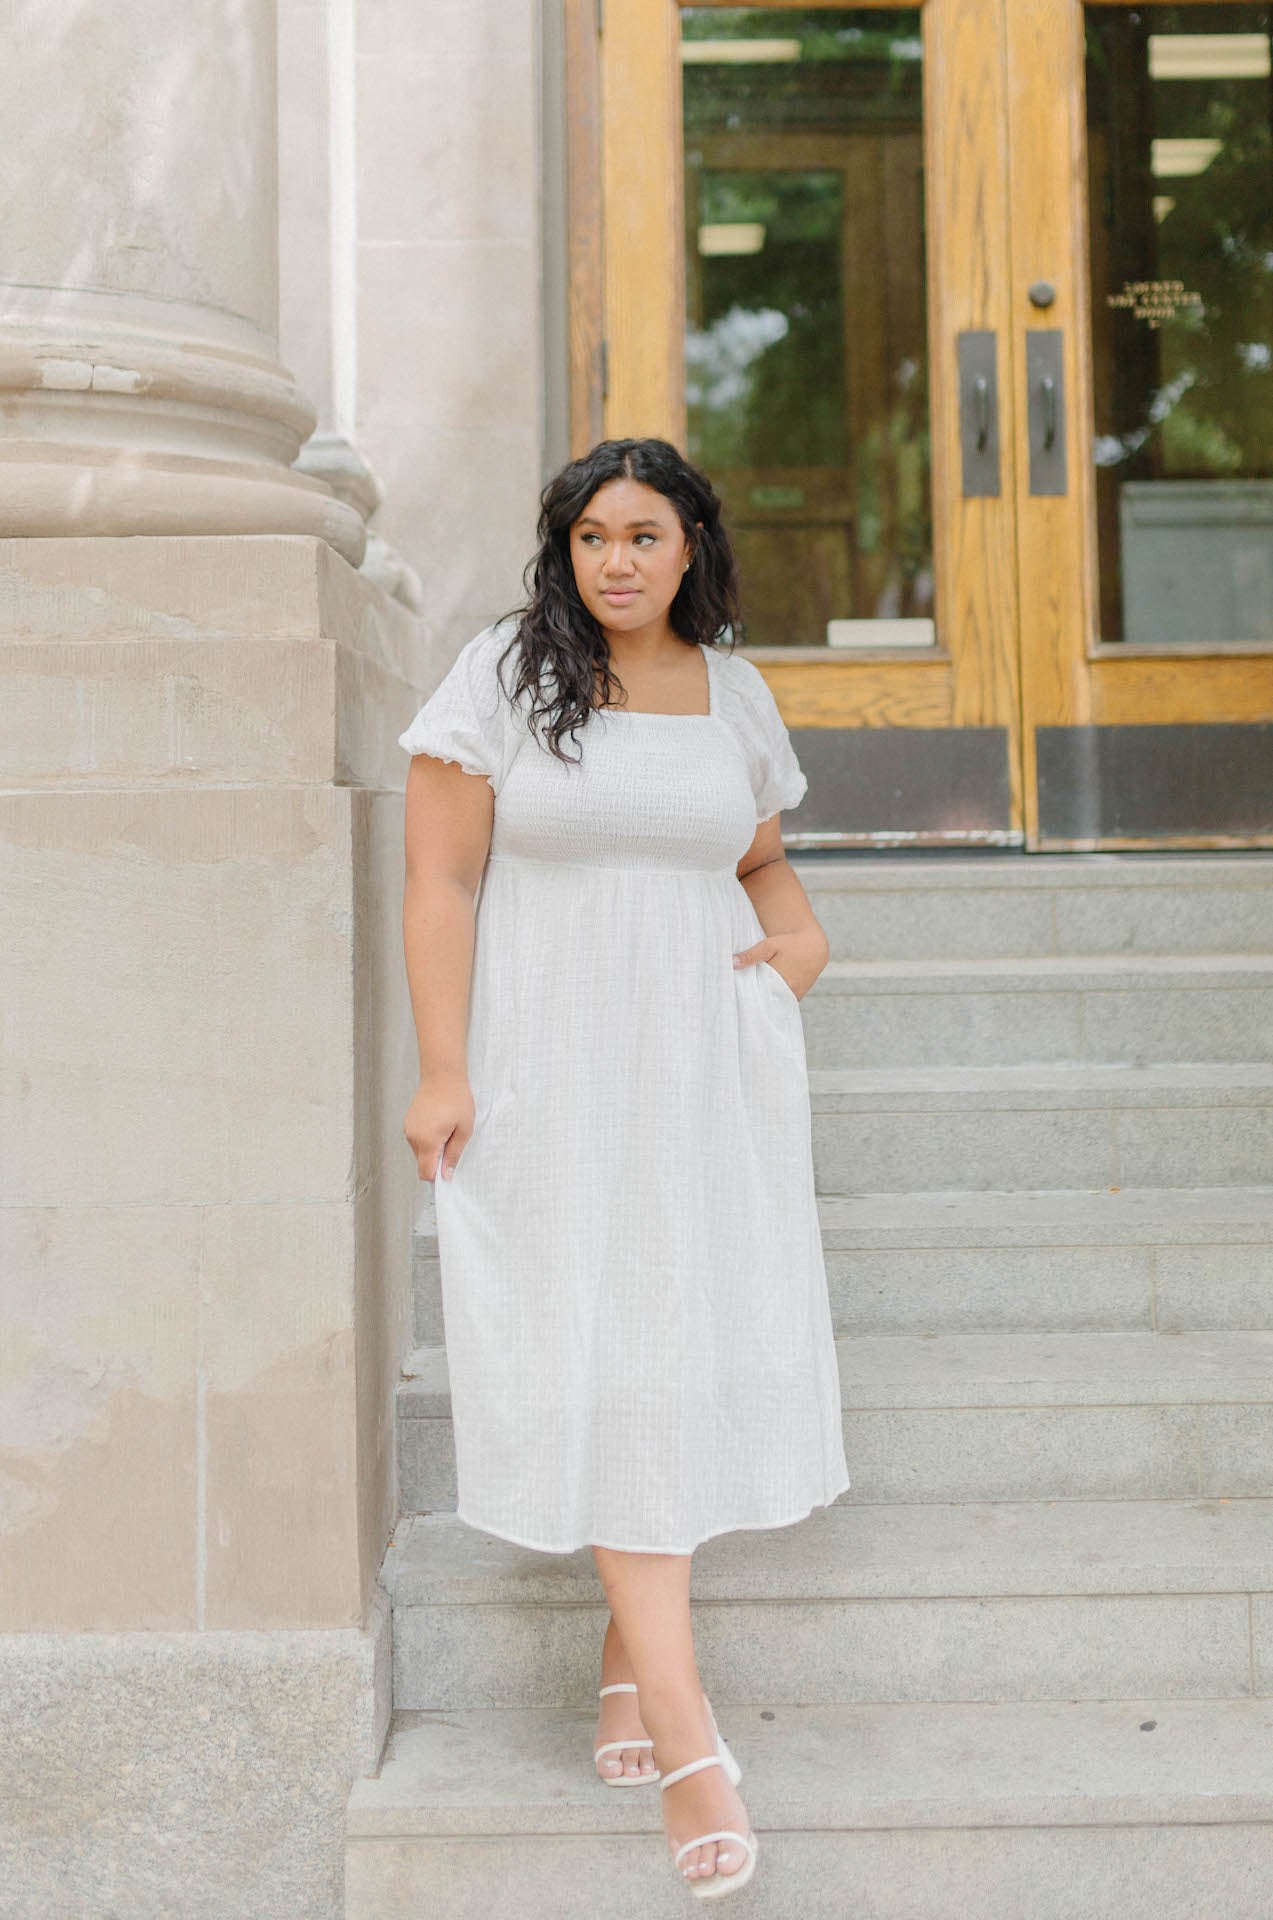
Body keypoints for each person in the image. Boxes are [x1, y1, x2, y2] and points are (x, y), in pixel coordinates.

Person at [399, 436, 850, 1899]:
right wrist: (445, 1068)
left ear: (691, 546)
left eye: (644, 534)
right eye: (592, 535)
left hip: (706, 1068)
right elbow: (439, 880)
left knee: (675, 1333)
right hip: (551, 1065)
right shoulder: (501, 679)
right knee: (586, 1340)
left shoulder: (732, 690)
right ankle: (683, 1726)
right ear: (564, 549)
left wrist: (799, 946)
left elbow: (760, 859)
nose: (616, 561)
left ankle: (625, 1661)